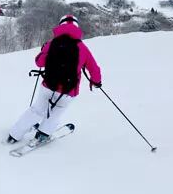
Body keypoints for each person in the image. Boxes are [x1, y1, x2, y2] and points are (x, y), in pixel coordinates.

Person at [7, 14, 102, 145]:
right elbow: (94, 69)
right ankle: (42, 135)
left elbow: (39, 63)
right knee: (56, 113)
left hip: (48, 85)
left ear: (60, 25)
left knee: (36, 110)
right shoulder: (82, 48)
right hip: (68, 91)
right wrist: (96, 81)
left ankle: (14, 135)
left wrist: (44, 51)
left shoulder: (52, 43)